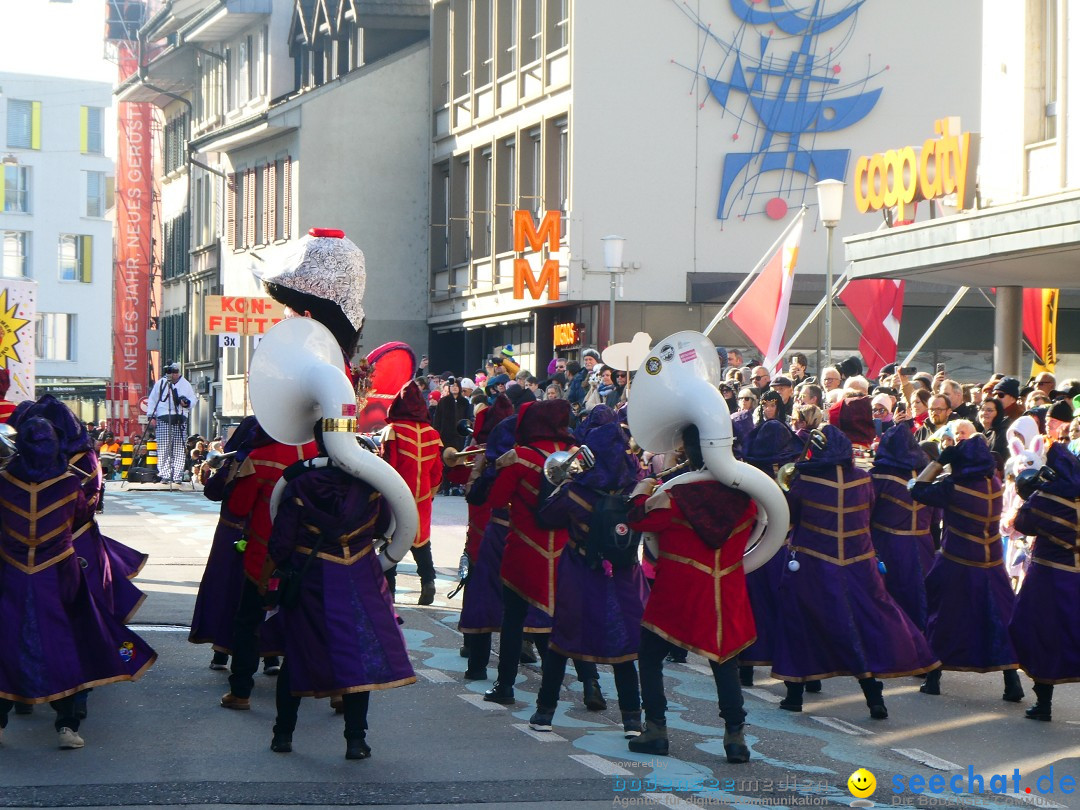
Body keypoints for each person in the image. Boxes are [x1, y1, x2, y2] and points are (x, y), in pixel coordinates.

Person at [0, 418, 157, 749]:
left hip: (10, 574)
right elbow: (82, 518)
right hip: (58, 574)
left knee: (8, 645)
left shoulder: (2, 482)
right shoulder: (69, 484)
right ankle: (67, 725)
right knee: (69, 644)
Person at [267, 424, 416, 760]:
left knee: (298, 654)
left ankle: (283, 734)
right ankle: (355, 740)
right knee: (358, 656)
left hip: (313, 576)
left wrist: (282, 568)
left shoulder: (299, 483)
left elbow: (280, 543)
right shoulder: (371, 482)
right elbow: (384, 527)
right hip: (360, 576)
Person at [770, 425, 939, 719]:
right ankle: (875, 699)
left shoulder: (805, 482)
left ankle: (795, 695)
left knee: (801, 625)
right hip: (859, 565)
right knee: (860, 627)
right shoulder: (863, 480)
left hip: (813, 565)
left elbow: (789, 519)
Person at [626, 425, 757, 763]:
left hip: (678, 592)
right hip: (726, 591)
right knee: (725, 662)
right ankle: (736, 738)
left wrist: (644, 486)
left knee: (650, 655)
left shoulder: (675, 496)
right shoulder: (748, 498)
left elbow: (639, 518)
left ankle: (655, 729)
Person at [530, 406, 648, 738]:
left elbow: (546, 517)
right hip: (624, 574)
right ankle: (632, 720)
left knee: (563, 641)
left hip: (580, 571)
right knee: (624, 647)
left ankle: (544, 713)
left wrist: (560, 478)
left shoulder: (575, 491)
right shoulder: (636, 491)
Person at [909, 432, 1024, 700]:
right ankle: (1012, 683)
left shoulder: (953, 488)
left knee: (943, 618)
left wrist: (938, 462)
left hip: (957, 562)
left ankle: (934, 678)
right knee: (998, 621)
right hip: (992, 563)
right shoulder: (994, 483)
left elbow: (914, 488)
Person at [219, 434, 319, 710]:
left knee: (248, 622)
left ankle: (241, 691)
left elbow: (238, 508)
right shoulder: (323, 453)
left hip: (264, 556)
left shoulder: (260, 456)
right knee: (317, 623)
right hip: (313, 558)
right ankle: (335, 692)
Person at [1008, 443, 1080, 721]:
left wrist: (1032, 493)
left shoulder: (1045, 497)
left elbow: (1022, 524)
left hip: (1049, 577)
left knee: (1040, 635)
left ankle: (1043, 704)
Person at [380, 381, 444, 605]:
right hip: (423, 496)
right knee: (422, 542)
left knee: (391, 541)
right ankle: (428, 582)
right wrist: (429, 493)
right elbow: (437, 472)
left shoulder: (393, 431)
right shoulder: (432, 434)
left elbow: (388, 467)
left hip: (397, 496)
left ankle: (390, 591)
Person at [869, 424, 934, 632]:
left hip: (889, 546)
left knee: (892, 597)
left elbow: (865, 511)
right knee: (921, 595)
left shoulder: (879, 477)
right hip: (924, 545)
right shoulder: (926, 475)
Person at [146, 363, 197, 485]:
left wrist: (187, 403)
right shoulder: (161, 383)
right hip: (164, 417)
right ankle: (165, 474)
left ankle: (177, 474)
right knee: (164, 448)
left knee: (179, 449)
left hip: (180, 417)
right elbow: (153, 399)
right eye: (171, 372)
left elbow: (193, 399)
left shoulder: (185, 384)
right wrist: (150, 415)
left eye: (176, 372)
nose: (173, 375)